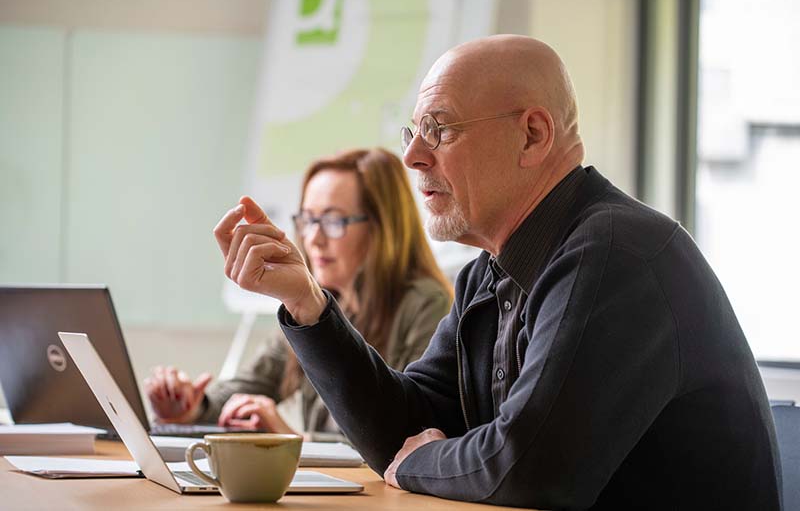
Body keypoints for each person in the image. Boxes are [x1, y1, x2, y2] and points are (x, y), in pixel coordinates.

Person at [213, 35, 781, 509]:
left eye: (439, 129)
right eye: (412, 133)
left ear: (533, 135)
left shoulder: (615, 253)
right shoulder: (487, 273)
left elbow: (529, 467)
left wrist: (418, 463)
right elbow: (401, 428)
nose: (412, 157)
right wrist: (309, 304)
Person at [145, 148, 452, 441]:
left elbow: (413, 435)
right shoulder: (316, 303)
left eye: (333, 221)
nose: (314, 238)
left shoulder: (426, 304)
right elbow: (252, 383)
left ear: (384, 228)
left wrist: (294, 440)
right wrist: (193, 405)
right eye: (307, 220)